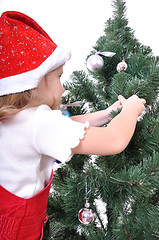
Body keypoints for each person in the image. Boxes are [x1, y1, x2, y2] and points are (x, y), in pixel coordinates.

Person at [0, 11, 146, 240]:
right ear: (34, 83)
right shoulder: (38, 122)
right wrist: (131, 109)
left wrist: (106, 114)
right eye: (58, 77)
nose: (63, 88)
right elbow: (114, 141)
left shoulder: (19, 119)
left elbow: (67, 127)